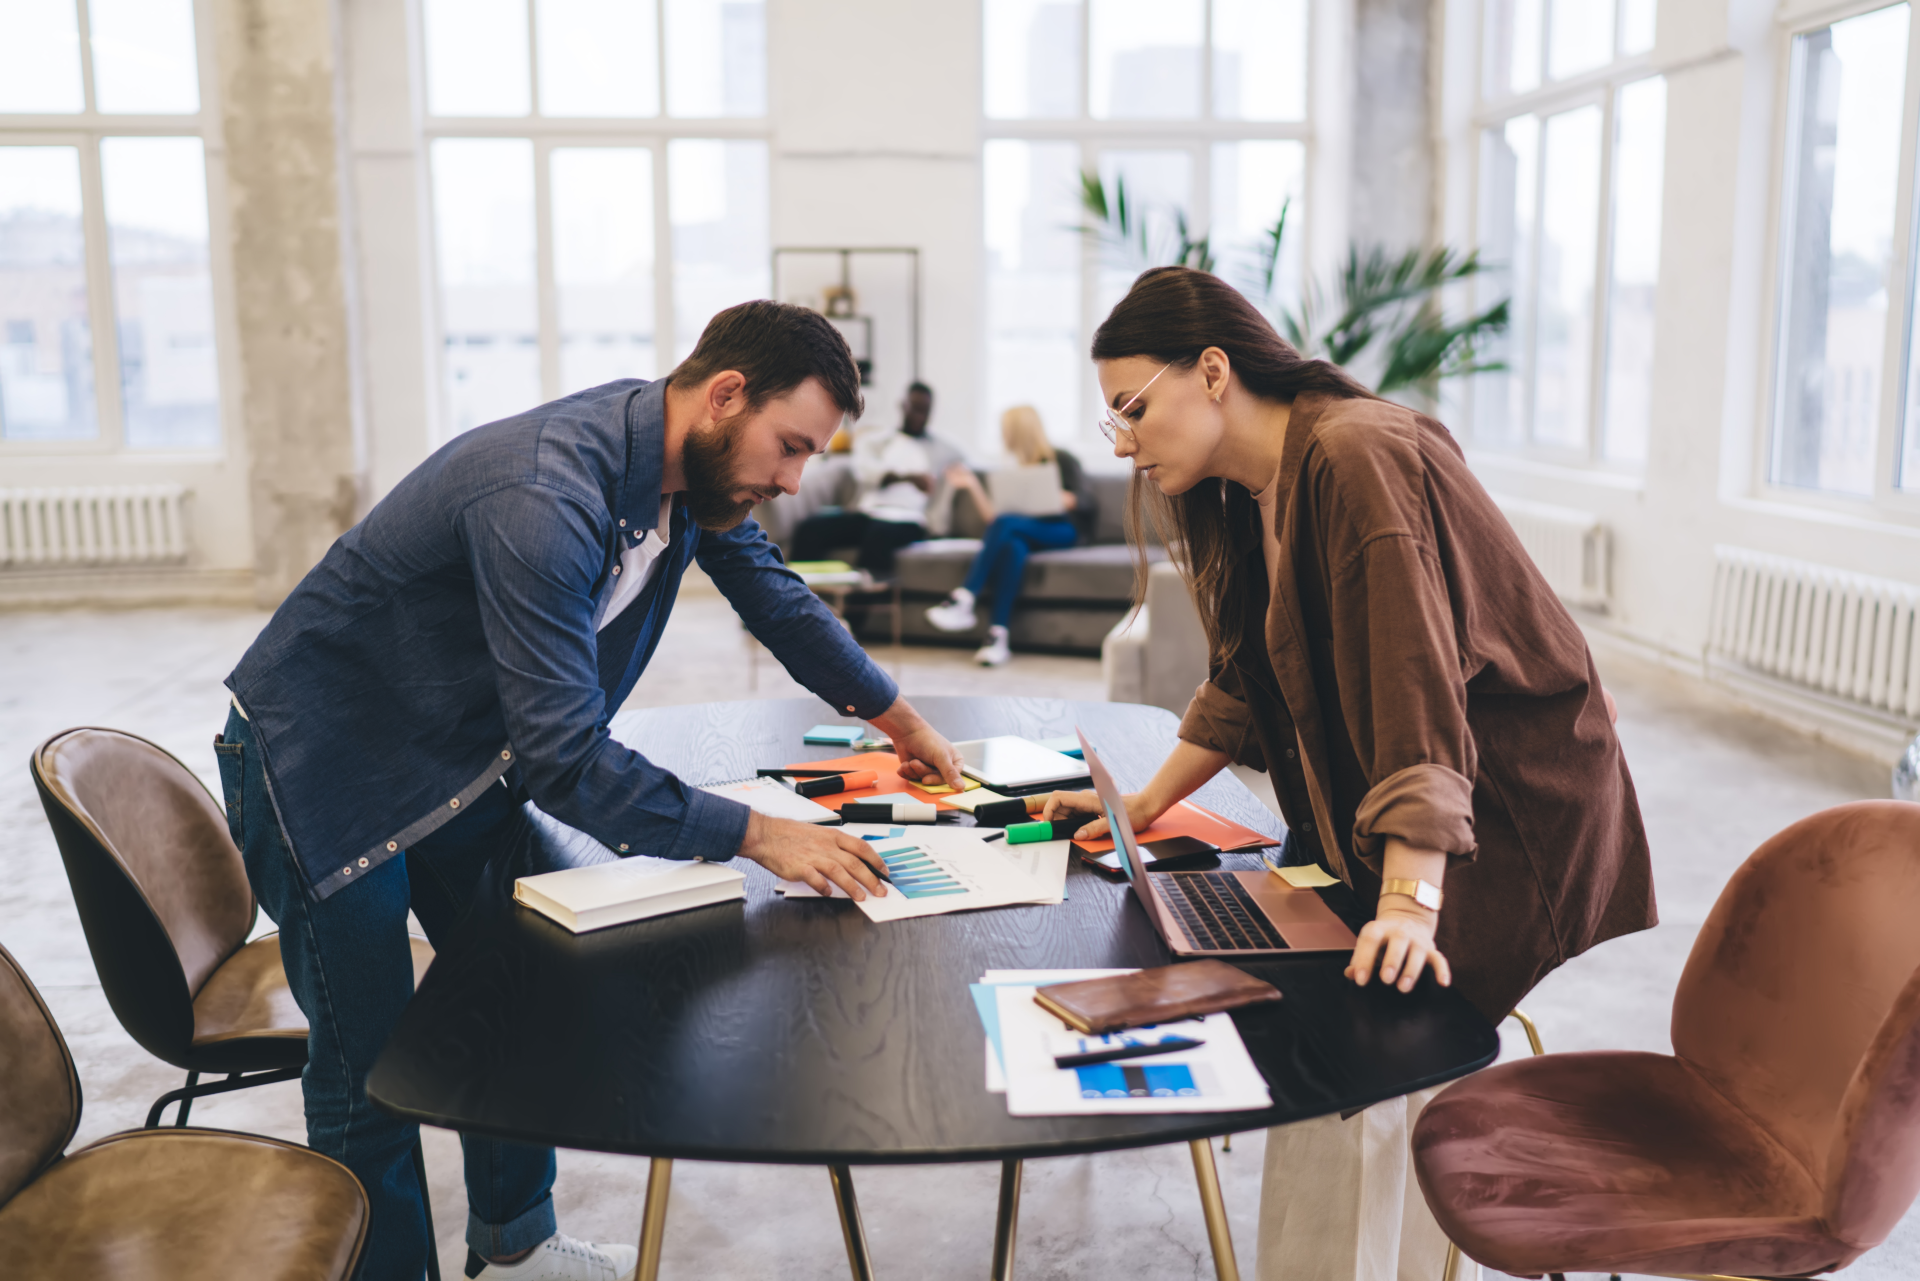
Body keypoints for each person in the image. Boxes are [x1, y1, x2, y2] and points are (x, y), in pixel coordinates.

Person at [214, 301, 966, 1281]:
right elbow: (566, 760)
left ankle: (517, 1246)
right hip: (324, 763)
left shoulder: (683, 477)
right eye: (789, 447)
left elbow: (777, 599)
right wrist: (757, 834)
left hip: (450, 755)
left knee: (524, 986)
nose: (791, 480)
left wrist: (900, 719)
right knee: (372, 1073)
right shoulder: (546, 494)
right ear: (725, 395)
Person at [1041, 267, 1655, 1281]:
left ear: (1212, 370)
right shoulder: (1253, 488)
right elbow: (1244, 679)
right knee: (1333, 1032)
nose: (1122, 443)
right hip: (1392, 803)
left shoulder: (1356, 455)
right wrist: (1141, 804)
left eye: (1132, 409)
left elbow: (1418, 693)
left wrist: (1410, 902)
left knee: (1365, 1047)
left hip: (1495, 811)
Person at [925, 405, 1095, 666]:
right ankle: (997, 636)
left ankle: (965, 596)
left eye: (1005, 431)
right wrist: (972, 485)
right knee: (1012, 546)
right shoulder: (1017, 469)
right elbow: (995, 520)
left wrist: (1056, 496)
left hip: (1064, 529)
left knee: (1009, 526)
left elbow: (1086, 502)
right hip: (1027, 531)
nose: (1002, 436)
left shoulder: (1061, 458)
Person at [789, 381, 963, 575]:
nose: (919, 416)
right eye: (915, 409)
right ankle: (797, 587)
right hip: (868, 513)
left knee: (879, 537)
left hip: (909, 520)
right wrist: (908, 478)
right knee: (811, 529)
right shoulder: (876, 442)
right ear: (903, 406)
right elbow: (865, 471)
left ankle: (865, 594)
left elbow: (965, 465)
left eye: (924, 411)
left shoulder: (942, 451)